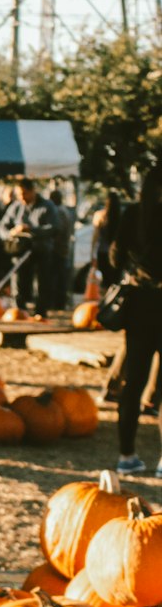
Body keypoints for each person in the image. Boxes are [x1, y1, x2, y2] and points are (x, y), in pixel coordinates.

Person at [109, 162, 162, 476]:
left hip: (140, 303)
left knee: (134, 382)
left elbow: (114, 257)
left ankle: (126, 455)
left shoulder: (132, 215)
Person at [0, 177, 57, 314]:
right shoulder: (16, 206)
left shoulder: (47, 206)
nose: (22, 197)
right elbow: (1, 227)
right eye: (19, 194)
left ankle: (41, 311)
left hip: (41, 249)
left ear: (33, 191)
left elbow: (54, 228)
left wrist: (31, 230)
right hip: (20, 250)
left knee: (42, 281)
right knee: (18, 279)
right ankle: (18, 308)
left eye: (24, 194)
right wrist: (10, 233)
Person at [49, 186, 75, 308]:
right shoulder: (64, 211)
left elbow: (58, 231)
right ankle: (59, 302)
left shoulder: (58, 212)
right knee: (60, 276)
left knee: (56, 277)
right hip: (63, 248)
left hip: (58, 248)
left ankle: (58, 303)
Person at [93, 191, 124, 289]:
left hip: (102, 252)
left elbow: (95, 237)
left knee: (105, 282)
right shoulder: (121, 217)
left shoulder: (100, 216)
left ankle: (105, 301)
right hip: (116, 254)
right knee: (115, 282)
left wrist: (92, 254)